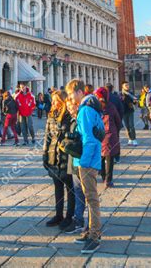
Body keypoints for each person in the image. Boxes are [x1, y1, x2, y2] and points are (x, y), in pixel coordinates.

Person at [66, 78, 104, 255]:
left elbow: (89, 139)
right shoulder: (89, 107)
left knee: (91, 199)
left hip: (87, 161)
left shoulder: (85, 110)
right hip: (90, 159)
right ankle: (89, 231)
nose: (70, 97)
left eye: (70, 94)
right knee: (90, 198)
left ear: (78, 91)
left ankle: (95, 236)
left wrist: (83, 162)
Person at [43, 90, 75, 230]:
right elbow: (47, 137)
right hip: (53, 156)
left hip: (66, 156)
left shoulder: (69, 116)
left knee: (70, 188)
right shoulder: (51, 116)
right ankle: (58, 214)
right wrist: (45, 154)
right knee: (57, 187)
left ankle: (70, 216)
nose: (54, 103)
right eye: (53, 101)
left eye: (57, 101)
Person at [62, 97, 87, 235]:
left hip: (80, 160)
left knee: (82, 192)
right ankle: (78, 218)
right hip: (74, 159)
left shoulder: (80, 119)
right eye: (68, 106)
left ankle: (82, 221)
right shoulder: (73, 119)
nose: (69, 108)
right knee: (77, 191)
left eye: (71, 105)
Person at [94, 87, 121, 187]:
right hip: (110, 135)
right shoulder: (111, 106)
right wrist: (116, 131)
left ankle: (103, 177)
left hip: (99, 135)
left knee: (100, 156)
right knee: (109, 158)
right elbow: (118, 120)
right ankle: (108, 180)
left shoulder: (95, 107)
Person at [120, 81, 138, 146]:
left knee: (131, 125)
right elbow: (120, 102)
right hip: (124, 112)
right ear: (122, 86)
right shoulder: (121, 94)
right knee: (127, 126)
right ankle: (130, 139)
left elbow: (134, 102)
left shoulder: (130, 93)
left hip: (130, 111)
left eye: (127, 85)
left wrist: (135, 101)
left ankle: (134, 139)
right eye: (125, 85)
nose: (127, 86)